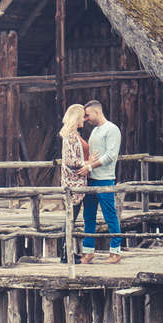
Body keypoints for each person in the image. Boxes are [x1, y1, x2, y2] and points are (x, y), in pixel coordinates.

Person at [78, 99, 122, 264]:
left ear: (97, 112)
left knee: (110, 216)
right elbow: (93, 155)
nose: (86, 119)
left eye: (88, 115)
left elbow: (111, 156)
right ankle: (88, 251)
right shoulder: (94, 131)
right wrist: (88, 164)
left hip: (105, 180)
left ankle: (115, 252)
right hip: (91, 181)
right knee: (88, 216)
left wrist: (90, 167)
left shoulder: (112, 129)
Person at [58, 103, 89, 263]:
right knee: (70, 218)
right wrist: (86, 164)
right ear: (77, 117)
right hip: (73, 184)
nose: (84, 118)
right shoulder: (70, 135)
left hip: (77, 183)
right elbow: (70, 160)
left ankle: (67, 252)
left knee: (71, 218)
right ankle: (64, 255)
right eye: (82, 115)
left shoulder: (74, 134)